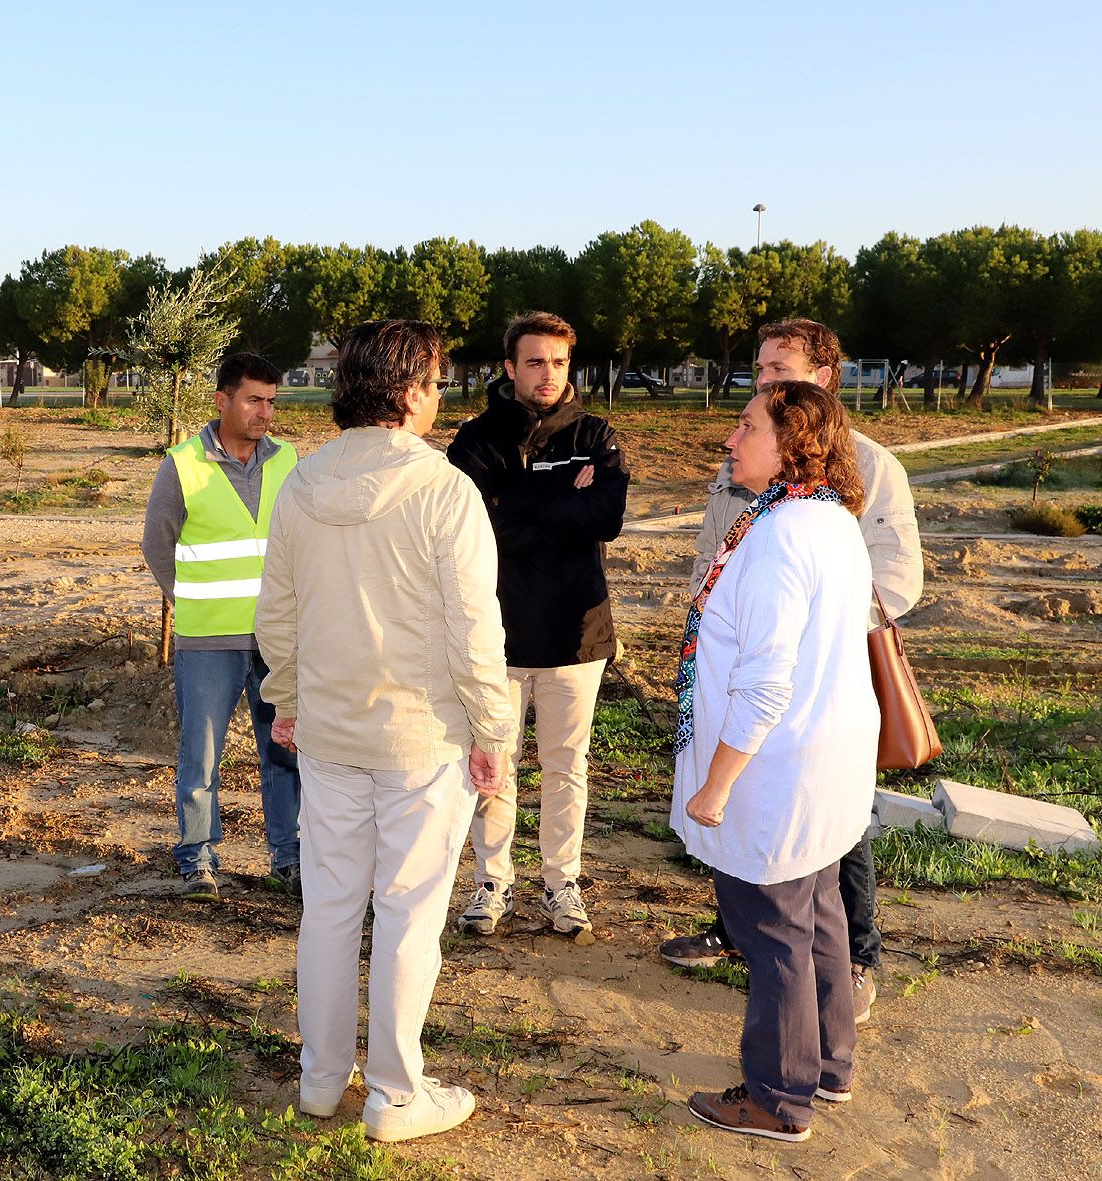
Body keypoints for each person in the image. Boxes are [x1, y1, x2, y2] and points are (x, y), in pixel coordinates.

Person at [256, 320, 514, 1143]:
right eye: (437, 382)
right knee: (408, 912)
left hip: (331, 733)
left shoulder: (299, 483)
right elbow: (476, 629)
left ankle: (321, 1078)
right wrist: (493, 728)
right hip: (423, 739)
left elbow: (278, 613)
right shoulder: (446, 491)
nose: (442, 398)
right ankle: (397, 1094)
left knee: (330, 906)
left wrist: (287, 695)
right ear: (407, 391)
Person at [661, 318, 923, 1024]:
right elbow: (715, 546)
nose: (767, 382)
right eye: (761, 371)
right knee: (751, 814)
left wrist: (819, 628)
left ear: (826, 379)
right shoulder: (746, 456)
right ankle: (739, 928)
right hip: (749, 666)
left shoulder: (867, 468)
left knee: (829, 827)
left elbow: (897, 577)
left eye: (783, 371)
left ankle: (857, 958)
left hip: (814, 681)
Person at [675, 380, 878, 1142]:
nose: (731, 439)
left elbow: (763, 683)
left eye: (747, 425)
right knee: (818, 910)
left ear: (793, 442)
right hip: (826, 756)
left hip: (775, 767)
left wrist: (715, 784)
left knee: (772, 932)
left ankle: (777, 1097)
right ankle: (828, 1064)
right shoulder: (828, 519)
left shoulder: (780, 536)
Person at [444, 311, 629, 941]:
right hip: (494, 634)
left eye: (558, 362)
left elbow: (604, 516)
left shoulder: (597, 436)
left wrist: (516, 499)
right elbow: (478, 526)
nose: (547, 374)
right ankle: (491, 882)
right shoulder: (474, 441)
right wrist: (559, 504)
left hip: (577, 633)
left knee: (565, 765)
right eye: (534, 362)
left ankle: (561, 882)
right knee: (494, 761)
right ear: (509, 367)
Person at [141, 353, 301, 901]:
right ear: (222, 401)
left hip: (278, 641)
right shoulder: (183, 464)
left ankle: (290, 856)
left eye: (272, 402)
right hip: (208, 640)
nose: (265, 412)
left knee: (284, 750)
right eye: (254, 400)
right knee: (201, 753)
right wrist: (188, 606)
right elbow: (156, 545)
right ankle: (198, 858)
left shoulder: (289, 461)